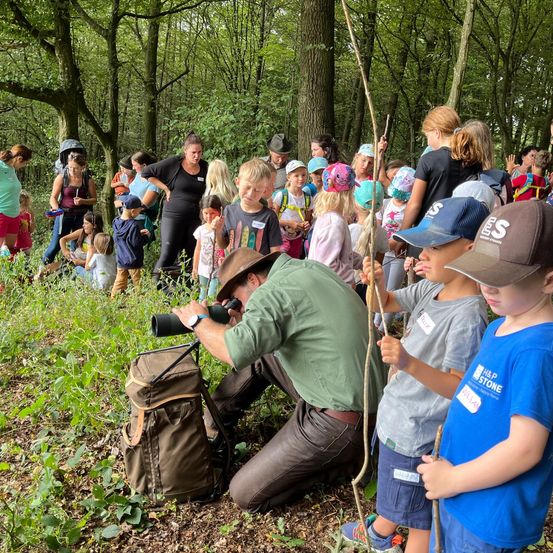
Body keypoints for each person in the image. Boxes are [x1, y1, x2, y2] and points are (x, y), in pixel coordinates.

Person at [172, 247, 382, 513]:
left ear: (252, 280)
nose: (242, 307)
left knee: (245, 493)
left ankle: (343, 463)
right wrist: (241, 320)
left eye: (238, 299)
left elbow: (229, 351)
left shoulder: (271, 293)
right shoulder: (308, 269)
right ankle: (213, 425)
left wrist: (198, 320)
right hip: (366, 403)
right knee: (261, 355)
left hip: (341, 422)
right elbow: (255, 344)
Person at [341, 197, 490, 553]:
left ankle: (390, 538)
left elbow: (458, 386)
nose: (422, 254)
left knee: (420, 518)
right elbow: (384, 303)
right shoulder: (433, 288)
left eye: (434, 246)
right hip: (400, 421)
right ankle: (381, 530)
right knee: (399, 496)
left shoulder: (468, 317)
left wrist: (407, 362)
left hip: (418, 435)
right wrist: (375, 283)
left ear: (470, 250)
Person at [418, 201, 553, 553]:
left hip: (487, 516)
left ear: (549, 280)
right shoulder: (498, 327)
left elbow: (525, 449)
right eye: (482, 273)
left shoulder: (538, 351)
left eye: (501, 278)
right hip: (458, 494)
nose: (487, 287)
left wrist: (453, 479)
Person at [391, 107, 481, 257]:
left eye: (427, 136)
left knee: (422, 279)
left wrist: (402, 237)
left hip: (425, 236)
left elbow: (414, 204)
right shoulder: (473, 162)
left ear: (437, 133)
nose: (428, 141)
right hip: (457, 237)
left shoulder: (428, 160)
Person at [142, 133, 207, 276]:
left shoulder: (205, 167)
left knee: (190, 254)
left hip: (195, 217)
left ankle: (185, 288)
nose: (197, 156)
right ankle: (156, 287)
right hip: (173, 215)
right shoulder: (174, 163)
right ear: (185, 151)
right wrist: (165, 188)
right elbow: (146, 172)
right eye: (193, 153)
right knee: (168, 252)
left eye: (199, 152)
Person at [374, 166, 415, 330]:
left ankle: (383, 327)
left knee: (392, 290)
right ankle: (375, 323)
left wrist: (399, 242)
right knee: (379, 287)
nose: (399, 199)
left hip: (399, 255)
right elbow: (377, 225)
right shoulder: (385, 204)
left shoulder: (410, 208)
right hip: (384, 252)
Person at [214, 158, 282, 255]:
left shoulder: (269, 217)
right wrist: (218, 231)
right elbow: (223, 245)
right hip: (234, 268)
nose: (250, 194)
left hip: (258, 269)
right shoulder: (229, 210)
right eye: (247, 187)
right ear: (237, 182)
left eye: (257, 190)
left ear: (264, 191)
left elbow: (275, 252)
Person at [307, 162, 360, 286]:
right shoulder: (334, 223)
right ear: (346, 195)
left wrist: (360, 261)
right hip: (329, 289)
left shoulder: (328, 216)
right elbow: (327, 264)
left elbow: (338, 254)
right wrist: (350, 277)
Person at [42, 152, 97, 265]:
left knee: (77, 246)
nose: (72, 170)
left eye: (76, 168)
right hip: (64, 215)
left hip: (82, 217)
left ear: (83, 167)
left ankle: (71, 272)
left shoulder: (88, 180)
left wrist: (83, 201)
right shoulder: (62, 178)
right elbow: (53, 197)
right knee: (55, 245)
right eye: (70, 167)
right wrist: (56, 209)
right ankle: (41, 269)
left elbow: (94, 199)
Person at [349, 179, 388, 301]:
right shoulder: (382, 233)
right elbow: (378, 263)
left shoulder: (348, 230)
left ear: (355, 203)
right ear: (380, 206)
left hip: (348, 284)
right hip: (367, 285)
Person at [111, 195, 150, 297]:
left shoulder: (116, 222)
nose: (140, 212)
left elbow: (125, 236)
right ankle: (141, 300)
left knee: (119, 281)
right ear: (133, 211)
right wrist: (146, 236)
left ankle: (113, 299)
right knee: (138, 283)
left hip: (121, 259)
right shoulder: (134, 224)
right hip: (134, 260)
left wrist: (138, 233)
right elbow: (136, 242)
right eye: (139, 210)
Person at [273, 160, 312, 259]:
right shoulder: (281, 196)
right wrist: (289, 223)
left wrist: (306, 225)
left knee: (294, 262)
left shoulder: (308, 198)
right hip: (280, 239)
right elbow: (273, 220)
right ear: (288, 177)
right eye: (296, 176)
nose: (301, 179)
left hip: (297, 239)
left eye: (303, 175)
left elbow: (307, 220)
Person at [0, 145, 32, 253]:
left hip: (14, 216)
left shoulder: (12, 169)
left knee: (9, 251)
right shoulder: (1, 166)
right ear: (19, 159)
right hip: (2, 214)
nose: (25, 166)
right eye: (25, 163)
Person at [192, 195, 224, 300]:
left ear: (219, 212)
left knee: (212, 295)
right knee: (202, 294)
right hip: (203, 268)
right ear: (202, 212)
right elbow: (198, 249)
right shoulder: (201, 230)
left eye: (212, 213)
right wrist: (195, 268)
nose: (209, 217)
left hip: (217, 269)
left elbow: (225, 247)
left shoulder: (222, 228)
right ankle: (202, 313)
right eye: (206, 213)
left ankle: (211, 313)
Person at [13, 190, 35, 256]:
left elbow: (31, 230)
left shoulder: (27, 215)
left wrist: (32, 217)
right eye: (24, 203)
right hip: (15, 247)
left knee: (26, 265)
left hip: (27, 246)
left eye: (27, 204)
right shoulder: (13, 215)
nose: (26, 206)